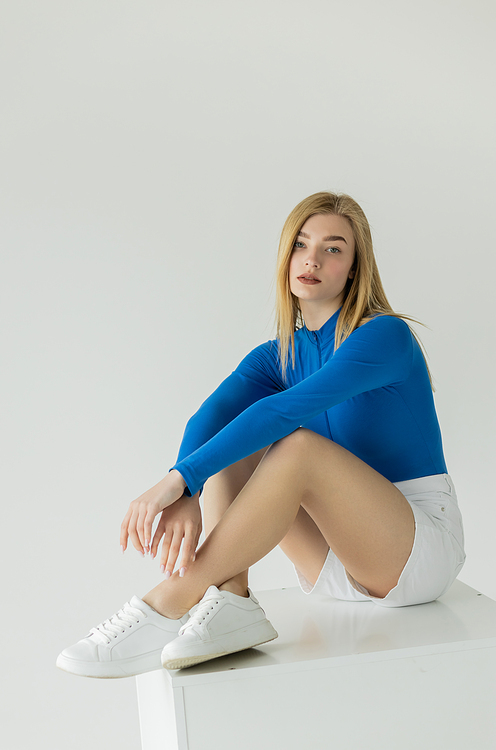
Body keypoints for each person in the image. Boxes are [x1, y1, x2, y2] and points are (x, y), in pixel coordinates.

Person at [57, 191, 466, 678]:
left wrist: (173, 483)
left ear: (355, 269)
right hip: (335, 563)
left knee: (295, 445)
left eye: (333, 248)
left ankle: (165, 603)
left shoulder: (383, 336)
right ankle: (232, 602)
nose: (311, 259)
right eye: (300, 244)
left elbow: (284, 410)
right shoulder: (276, 356)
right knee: (235, 439)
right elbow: (206, 421)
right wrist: (186, 488)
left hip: (415, 550)